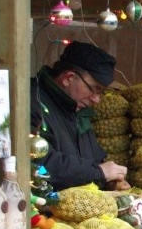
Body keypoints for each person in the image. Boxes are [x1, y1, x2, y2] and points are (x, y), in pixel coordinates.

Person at [30, 41, 129, 191]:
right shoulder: (31, 103)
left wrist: (111, 181)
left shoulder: (78, 112)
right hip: (41, 209)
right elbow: (40, 165)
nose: (96, 99)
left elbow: (93, 162)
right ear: (69, 78)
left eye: (100, 92)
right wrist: (99, 173)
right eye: (94, 89)